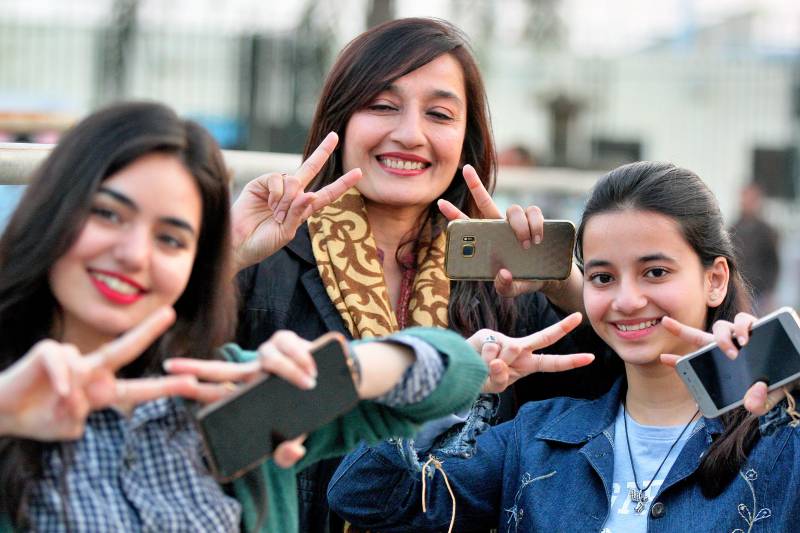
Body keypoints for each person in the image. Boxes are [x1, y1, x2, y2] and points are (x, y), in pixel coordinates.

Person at [0, 101, 591, 533]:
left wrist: (348, 368)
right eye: (108, 214)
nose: (134, 253)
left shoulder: (224, 408)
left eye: (173, 238)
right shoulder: (14, 407)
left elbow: (453, 368)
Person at [231, 18, 618, 531]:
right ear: (339, 121)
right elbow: (190, 411)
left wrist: (557, 281)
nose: (410, 134)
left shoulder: (501, 281)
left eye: (439, 114)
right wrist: (227, 253)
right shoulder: (265, 264)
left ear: (466, 139)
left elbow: (620, 389)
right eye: (382, 106)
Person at [328, 161, 800, 532]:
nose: (627, 300)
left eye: (655, 272)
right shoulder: (536, 437)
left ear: (715, 279)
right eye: (602, 277)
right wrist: (450, 386)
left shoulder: (780, 437)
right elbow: (363, 493)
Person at [730, 182, 780, 314]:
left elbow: (773, 263)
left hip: (759, 293)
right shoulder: (733, 228)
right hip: (738, 291)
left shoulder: (766, 231)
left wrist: (769, 292)